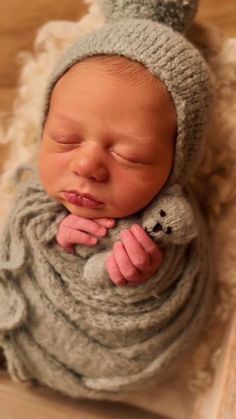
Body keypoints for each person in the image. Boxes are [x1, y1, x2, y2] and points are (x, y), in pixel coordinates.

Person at [0, 0, 214, 399]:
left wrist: (146, 278)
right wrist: (50, 233)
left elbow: (185, 289)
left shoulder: (167, 223)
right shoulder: (37, 195)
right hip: (26, 334)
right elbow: (16, 236)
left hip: (114, 364)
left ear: (176, 165)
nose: (86, 164)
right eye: (65, 139)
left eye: (128, 156)